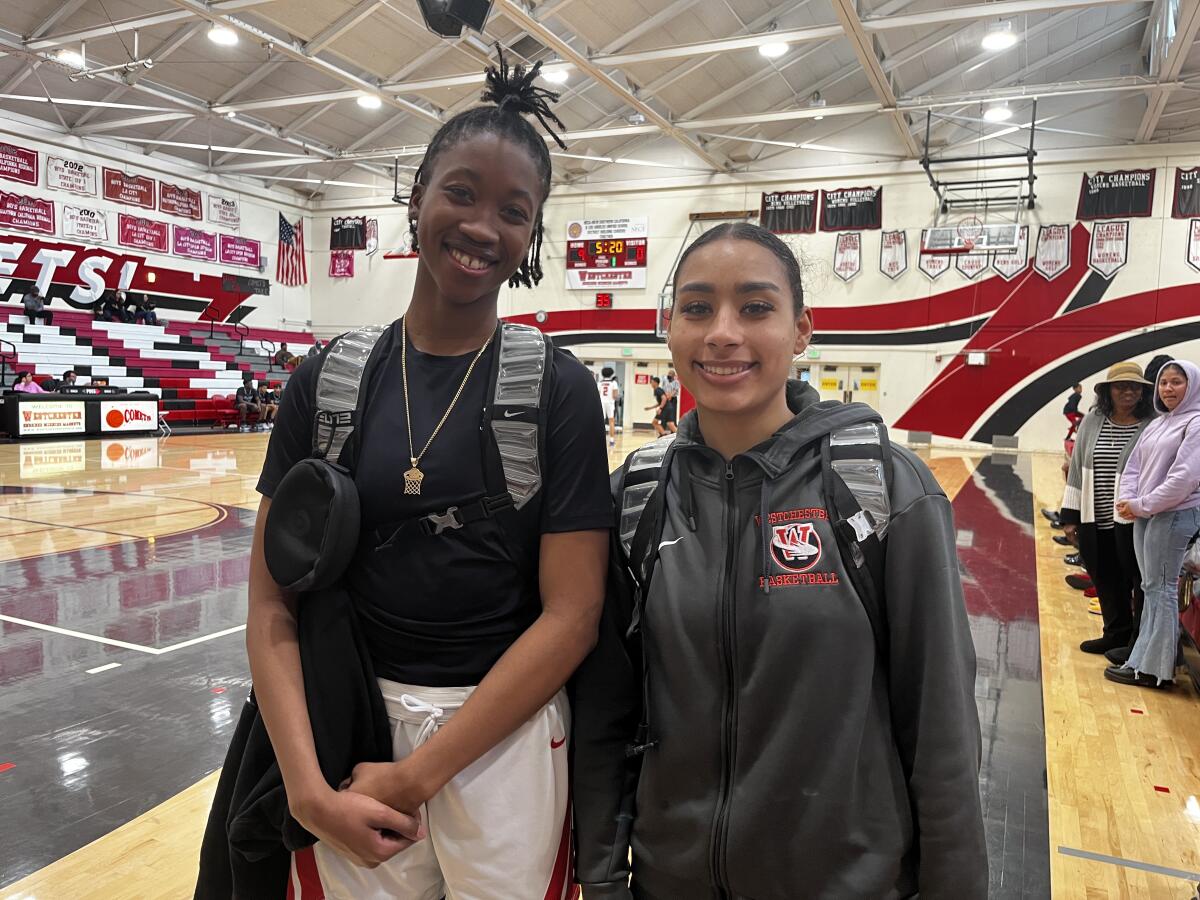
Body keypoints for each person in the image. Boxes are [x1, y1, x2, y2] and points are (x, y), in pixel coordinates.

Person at [232, 51, 611, 899]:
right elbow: (268, 605)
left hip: (506, 743)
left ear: (533, 234)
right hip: (345, 731)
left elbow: (574, 613)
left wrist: (418, 775)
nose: (483, 226)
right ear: (417, 200)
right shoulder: (322, 381)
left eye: (515, 211)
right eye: (462, 192)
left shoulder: (559, 387)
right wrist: (305, 788)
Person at [573, 222, 987, 899]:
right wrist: (602, 874)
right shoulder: (636, 499)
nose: (723, 333)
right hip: (671, 882)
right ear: (669, 328)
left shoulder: (883, 488)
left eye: (756, 307)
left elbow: (942, 728)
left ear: (801, 330)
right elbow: (605, 716)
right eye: (697, 308)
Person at [1109, 359, 1200, 688]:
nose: (1168, 389)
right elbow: (1133, 465)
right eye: (1164, 383)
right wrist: (1130, 500)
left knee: (1161, 590)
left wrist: (1142, 505)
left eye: (1177, 382)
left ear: (1192, 385)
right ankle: (1140, 660)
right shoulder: (1160, 422)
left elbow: (1184, 478)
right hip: (1147, 514)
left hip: (1174, 514)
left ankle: (1156, 670)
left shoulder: (1196, 423)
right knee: (1150, 588)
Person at [1059, 362, 1154, 655]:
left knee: (1137, 581)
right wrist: (1070, 516)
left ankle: (1136, 643)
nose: (1128, 391)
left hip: (1133, 521)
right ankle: (1115, 633)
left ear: (1142, 392)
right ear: (1108, 391)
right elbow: (1077, 468)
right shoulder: (1093, 419)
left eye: (1134, 387)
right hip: (1094, 515)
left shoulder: (1152, 422)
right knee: (1105, 576)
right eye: (1121, 386)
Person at [598, 366, 620, 447]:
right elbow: (615, 396)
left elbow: (597, 394)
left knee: (600, 422)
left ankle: (599, 440)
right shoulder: (613, 383)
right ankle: (611, 441)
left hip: (601, 403)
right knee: (611, 422)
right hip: (610, 403)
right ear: (611, 374)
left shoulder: (600, 383)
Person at [659, 368, 679, 434]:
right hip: (666, 399)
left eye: (670, 374)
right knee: (664, 414)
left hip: (673, 399)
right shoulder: (665, 380)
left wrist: (670, 395)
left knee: (673, 415)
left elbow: (675, 390)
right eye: (668, 373)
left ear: (674, 375)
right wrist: (666, 396)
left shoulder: (676, 382)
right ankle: (662, 432)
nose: (669, 375)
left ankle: (673, 432)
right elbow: (663, 389)